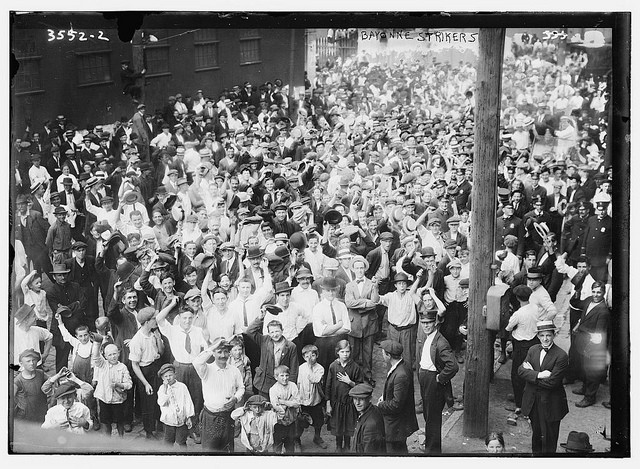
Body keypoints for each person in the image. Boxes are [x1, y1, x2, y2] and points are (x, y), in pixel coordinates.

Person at [156, 297, 207, 442]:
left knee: (196, 398)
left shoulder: (198, 330)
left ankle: (194, 429)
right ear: (179, 318)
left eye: (190, 318)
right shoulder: (172, 330)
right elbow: (159, 317)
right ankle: (179, 428)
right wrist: (172, 304)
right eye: (184, 318)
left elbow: (206, 348)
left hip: (195, 367)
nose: (187, 321)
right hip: (179, 367)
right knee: (177, 397)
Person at [518, 320, 569, 454]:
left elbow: (552, 382)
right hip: (533, 401)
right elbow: (520, 371)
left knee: (549, 438)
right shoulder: (533, 349)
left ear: (554, 335)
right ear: (538, 336)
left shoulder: (561, 355)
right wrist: (539, 375)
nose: (545, 339)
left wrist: (531, 376)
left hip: (551, 403)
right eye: (542, 336)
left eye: (548, 335)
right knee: (536, 435)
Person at [417, 309, 458, 454]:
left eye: (428, 323)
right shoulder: (428, 337)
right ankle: (430, 445)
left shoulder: (441, 342)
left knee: (433, 418)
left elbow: (452, 366)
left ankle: (432, 451)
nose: (426, 326)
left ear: (435, 322)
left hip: (433, 381)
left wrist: (440, 378)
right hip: (425, 378)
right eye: (423, 323)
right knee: (428, 415)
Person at [192, 337, 245, 452]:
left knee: (227, 450)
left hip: (228, 417)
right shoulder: (206, 370)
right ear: (214, 353)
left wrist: (235, 398)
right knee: (210, 451)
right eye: (219, 351)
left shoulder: (234, 370)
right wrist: (212, 347)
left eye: (226, 351)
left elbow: (241, 388)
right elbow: (197, 362)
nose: (223, 355)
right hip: (211, 417)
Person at [569, 281, 610, 408]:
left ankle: (590, 397)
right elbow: (575, 303)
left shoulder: (603, 311)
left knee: (592, 372)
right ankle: (585, 388)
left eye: (599, 292)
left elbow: (599, 335)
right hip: (582, 340)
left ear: (603, 293)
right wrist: (577, 288)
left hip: (592, 345)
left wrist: (589, 348)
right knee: (584, 369)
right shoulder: (588, 300)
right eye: (594, 291)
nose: (596, 295)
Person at [246, 304, 299, 398]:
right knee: (265, 408)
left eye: (277, 331)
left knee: (280, 409)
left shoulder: (291, 346)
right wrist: (260, 318)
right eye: (272, 332)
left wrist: (290, 387)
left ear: (282, 331)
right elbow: (250, 331)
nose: (275, 335)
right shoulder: (264, 340)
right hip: (264, 383)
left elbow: (294, 370)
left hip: (282, 384)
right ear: (269, 333)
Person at [504, 285, 541, 417]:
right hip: (534, 342)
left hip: (520, 345)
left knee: (517, 374)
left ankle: (519, 404)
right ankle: (527, 400)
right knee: (530, 372)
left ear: (517, 298)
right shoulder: (536, 308)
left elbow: (508, 328)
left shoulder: (518, 314)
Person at [128, 306, 165, 439]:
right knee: (147, 403)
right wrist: (145, 384)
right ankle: (148, 432)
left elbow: (161, 352)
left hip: (156, 368)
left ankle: (158, 425)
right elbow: (135, 365)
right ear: (147, 321)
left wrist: (159, 340)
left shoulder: (153, 333)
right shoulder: (137, 340)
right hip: (145, 372)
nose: (156, 320)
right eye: (154, 318)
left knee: (158, 399)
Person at [376, 339, 418, 453]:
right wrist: (384, 396)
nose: (382, 355)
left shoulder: (400, 375)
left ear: (388, 355)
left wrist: (380, 404)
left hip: (395, 425)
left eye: (383, 353)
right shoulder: (403, 365)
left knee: (393, 453)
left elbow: (396, 405)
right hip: (397, 424)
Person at [344, 255, 379, 386]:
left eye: (361, 268)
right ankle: (353, 377)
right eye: (357, 268)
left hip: (369, 323)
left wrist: (375, 288)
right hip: (354, 324)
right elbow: (349, 303)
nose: (359, 270)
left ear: (365, 269)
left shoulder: (371, 284)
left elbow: (375, 302)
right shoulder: (349, 286)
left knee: (368, 353)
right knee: (353, 353)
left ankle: (367, 377)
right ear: (353, 269)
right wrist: (365, 303)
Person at [325, 339, 364, 453]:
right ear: (337, 352)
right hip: (337, 403)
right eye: (342, 352)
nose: (345, 354)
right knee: (338, 425)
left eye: (347, 351)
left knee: (348, 425)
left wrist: (350, 382)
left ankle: (347, 445)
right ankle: (338, 446)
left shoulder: (355, 367)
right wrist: (328, 403)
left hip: (349, 403)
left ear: (350, 352)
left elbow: (360, 386)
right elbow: (328, 385)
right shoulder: (333, 366)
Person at [91, 334, 133, 437]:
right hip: (104, 399)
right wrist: (97, 343)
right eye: (110, 355)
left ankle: (120, 438)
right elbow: (95, 356)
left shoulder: (122, 367)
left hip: (118, 400)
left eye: (115, 354)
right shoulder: (102, 365)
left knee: (120, 421)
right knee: (106, 422)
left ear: (118, 353)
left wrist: (119, 385)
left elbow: (129, 384)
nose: (113, 356)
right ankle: (108, 440)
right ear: (105, 356)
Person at [156, 363, 195, 449]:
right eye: (165, 376)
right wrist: (166, 389)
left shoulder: (182, 387)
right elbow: (162, 402)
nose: (168, 378)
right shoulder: (162, 389)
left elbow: (188, 401)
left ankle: (184, 456)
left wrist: (188, 416)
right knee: (168, 442)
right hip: (169, 420)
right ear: (162, 378)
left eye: (170, 375)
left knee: (182, 441)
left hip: (181, 419)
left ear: (175, 375)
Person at [296, 344, 328, 449]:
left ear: (317, 355)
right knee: (300, 422)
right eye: (307, 356)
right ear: (303, 357)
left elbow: (315, 379)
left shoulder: (320, 369)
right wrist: (298, 399)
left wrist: (309, 367)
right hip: (303, 401)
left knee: (318, 421)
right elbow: (299, 384)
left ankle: (317, 437)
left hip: (315, 400)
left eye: (313, 355)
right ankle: (297, 441)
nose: (310, 358)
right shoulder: (300, 368)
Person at [269, 364, 301, 454]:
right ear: (276, 377)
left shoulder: (293, 386)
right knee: (277, 445)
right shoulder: (273, 389)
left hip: (291, 421)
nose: (285, 378)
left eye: (287, 375)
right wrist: (290, 402)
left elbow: (297, 403)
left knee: (290, 444)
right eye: (281, 376)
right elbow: (276, 406)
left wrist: (283, 401)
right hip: (279, 422)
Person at [13, 349, 48, 423]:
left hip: (40, 411)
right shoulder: (17, 381)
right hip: (25, 415)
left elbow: (51, 381)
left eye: (34, 360)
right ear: (21, 363)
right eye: (28, 361)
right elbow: (10, 401)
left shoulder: (40, 373)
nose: (32, 363)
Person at [350, 383, 386, 454]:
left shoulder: (370, 426)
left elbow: (368, 456)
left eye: (361, 399)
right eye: (355, 398)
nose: (357, 403)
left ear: (369, 399)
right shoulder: (372, 409)